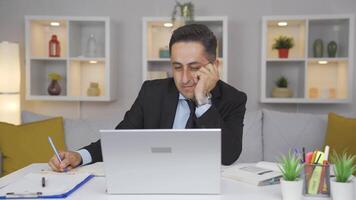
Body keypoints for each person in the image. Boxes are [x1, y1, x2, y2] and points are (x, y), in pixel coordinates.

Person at [48, 24, 247, 172]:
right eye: (177, 67)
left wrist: (203, 101)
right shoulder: (151, 92)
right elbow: (120, 139)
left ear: (214, 66)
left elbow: (229, 156)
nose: (184, 78)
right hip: (152, 183)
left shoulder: (233, 99)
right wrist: (79, 156)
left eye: (194, 68)